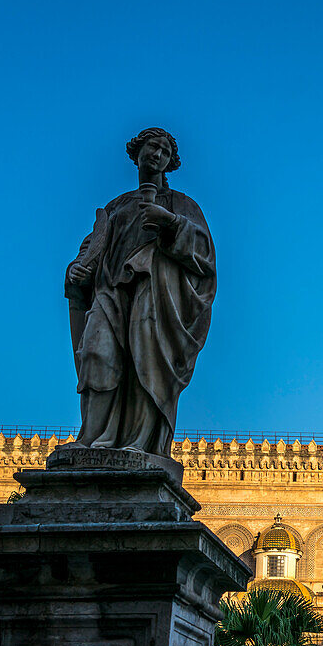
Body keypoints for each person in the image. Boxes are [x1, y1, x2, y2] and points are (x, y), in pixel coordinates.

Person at [65, 127, 215, 455]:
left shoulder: (182, 205)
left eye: (163, 150)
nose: (156, 154)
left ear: (170, 161)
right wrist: (77, 267)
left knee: (145, 366)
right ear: (137, 153)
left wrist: (171, 223)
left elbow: (204, 254)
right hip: (111, 291)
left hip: (154, 295)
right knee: (95, 352)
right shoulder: (117, 206)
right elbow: (93, 245)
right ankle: (92, 438)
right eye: (151, 147)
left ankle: (139, 442)